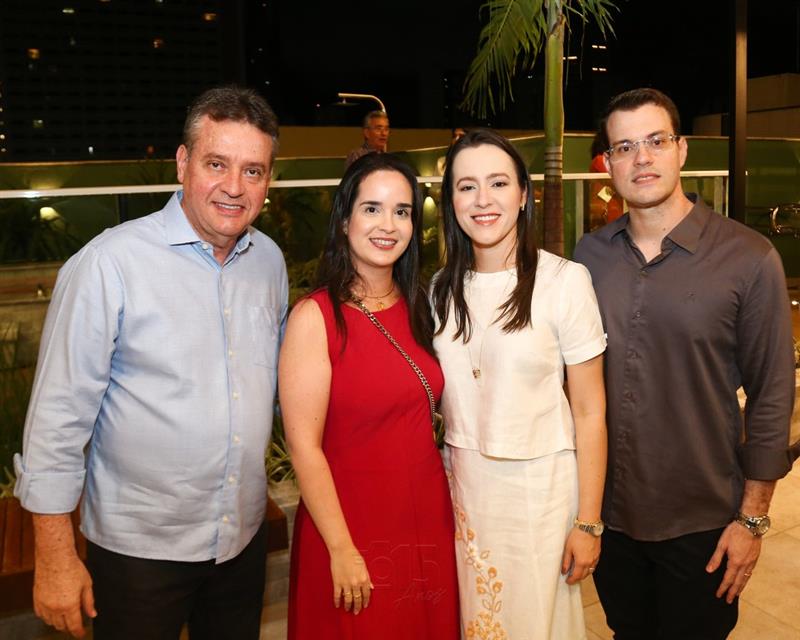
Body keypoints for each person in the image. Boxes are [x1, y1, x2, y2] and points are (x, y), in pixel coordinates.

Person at [13, 85, 288, 640]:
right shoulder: (108, 265)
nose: (235, 187)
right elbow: (57, 421)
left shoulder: (269, 262)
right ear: (183, 163)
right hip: (138, 555)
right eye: (217, 164)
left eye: (253, 171)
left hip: (241, 539)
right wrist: (56, 557)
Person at [574, 87, 797, 639]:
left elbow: (772, 395)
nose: (641, 158)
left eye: (655, 141)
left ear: (682, 149)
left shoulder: (748, 259)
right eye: (624, 147)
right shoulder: (588, 258)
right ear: (608, 164)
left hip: (704, 521)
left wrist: (752, 519)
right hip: (611, 518)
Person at [431, 128, 608, 638]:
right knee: (476, 620)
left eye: (498, 183)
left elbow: (590, 412)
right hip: (465, 491)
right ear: (451, 202)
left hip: (540, 495)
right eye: (466, 186)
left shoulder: (564, 282)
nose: (482, 200)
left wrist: (588, 522)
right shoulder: (440, 290)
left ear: (524, 194)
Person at [282, 152, 459, 638]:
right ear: (345, 221)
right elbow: (303, 448)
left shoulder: (421, 305)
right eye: (372, 209)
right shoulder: (315, 317)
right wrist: (341, 548)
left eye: (402, 211)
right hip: (349, 524)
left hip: (425, 516)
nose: (388, 225)